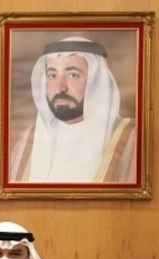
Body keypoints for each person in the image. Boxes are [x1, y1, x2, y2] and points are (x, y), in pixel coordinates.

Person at [9, 36, 137, 183]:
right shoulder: (29, 140)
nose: (60, 88)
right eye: (52, 75)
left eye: (73, 75)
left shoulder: (130, 138)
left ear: (96, 82)